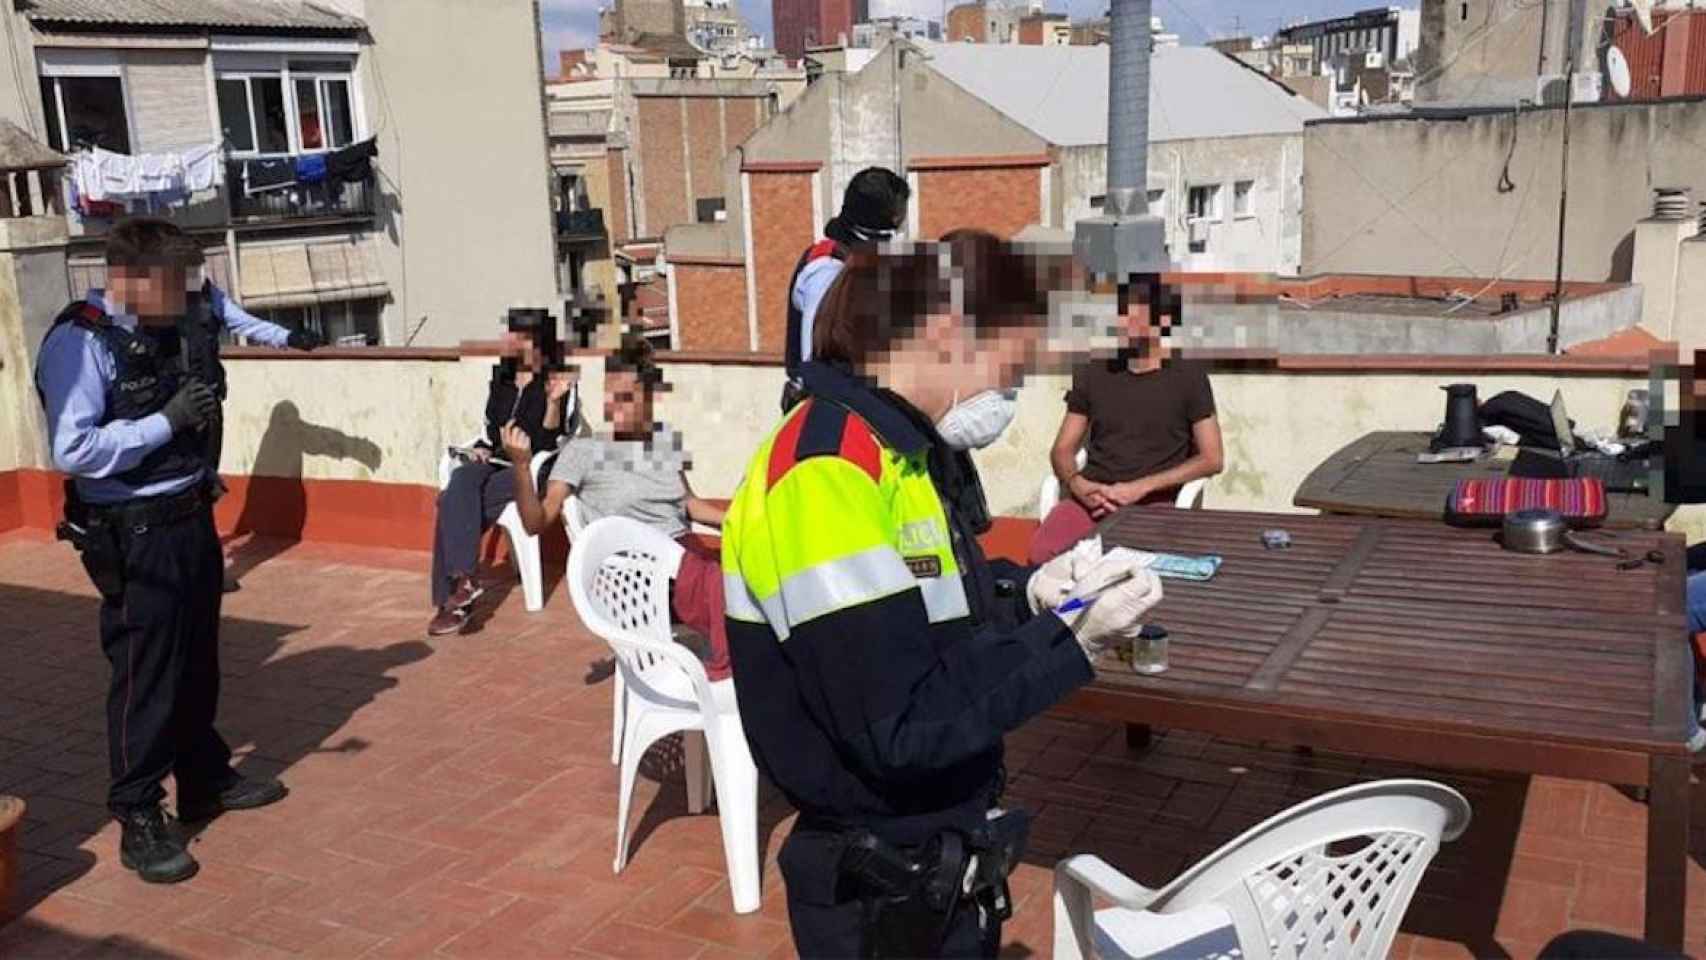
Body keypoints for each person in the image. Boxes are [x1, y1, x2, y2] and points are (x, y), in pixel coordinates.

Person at [722, 233, 1165, 958]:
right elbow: (901, 722)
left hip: (935, 857)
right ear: (944, 332)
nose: (1012, 391)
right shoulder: (828, 472)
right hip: (880, 887)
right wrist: (1071, 635)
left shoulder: (898, 453)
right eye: (1011, 363)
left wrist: (1028, 594)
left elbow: (927, 611)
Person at [34, 218, 287, 885]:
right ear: (133, 281)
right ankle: (138, 810)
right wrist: (163, 422)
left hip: (190, 514)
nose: (188, 297)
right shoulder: (79, 342)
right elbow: (73, 449)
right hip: (134, 529)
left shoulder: (162, 324)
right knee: (147, 672)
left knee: (198, 659)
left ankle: (203, 775)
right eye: (176, 284)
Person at [503, 337, 732, 679]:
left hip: (685, 556)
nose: (618, 405)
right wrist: (521, 468)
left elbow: (689, 504)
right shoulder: (583, 451)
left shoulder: (665, 441)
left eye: (628, 396)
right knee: (722, 587)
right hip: (640, 574)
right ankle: (723, 677)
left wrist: (739, 520)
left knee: (752, 572)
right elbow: (537, 522)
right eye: (613, 395)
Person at [94, 268, 322, 593]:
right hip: (171, 413)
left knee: (204, 486)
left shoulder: (207, 296)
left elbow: (243, 323)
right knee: (180, 489)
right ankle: (181, 571)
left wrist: (288, 338)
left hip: (208, 406)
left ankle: (207, 570)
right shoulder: (148, 300)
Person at [1028, 278, 1224, 565]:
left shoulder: (1188, 376)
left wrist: (1140, 488)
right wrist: (1077, 484)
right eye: (1123, 313)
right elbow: (1062, 450)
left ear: (1164, 321)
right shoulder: (1094, 371)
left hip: (1155, 503)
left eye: (1138, 314)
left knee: (1131, 566)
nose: (1126, 322)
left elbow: (1212, 458)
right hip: (1093, 497)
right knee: (1042, 554)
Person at [428, 310, 578, 636]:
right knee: (461, 479)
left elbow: (554, 439)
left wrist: (554, 403)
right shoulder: (502, 378)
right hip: (496, 460)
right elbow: (490, 429)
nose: (508, 342)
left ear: (537, 344)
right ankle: (465, 581)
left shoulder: (557, 379)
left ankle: (454, 599)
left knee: (448, 503)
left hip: (532, 466)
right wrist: (481, 448)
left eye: (518, 336)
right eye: (510, 335)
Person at [780, 166, 911, 413]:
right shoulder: (827, 267)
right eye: (898, 216)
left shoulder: (861, 261)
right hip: (825, 406)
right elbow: (814, 356)